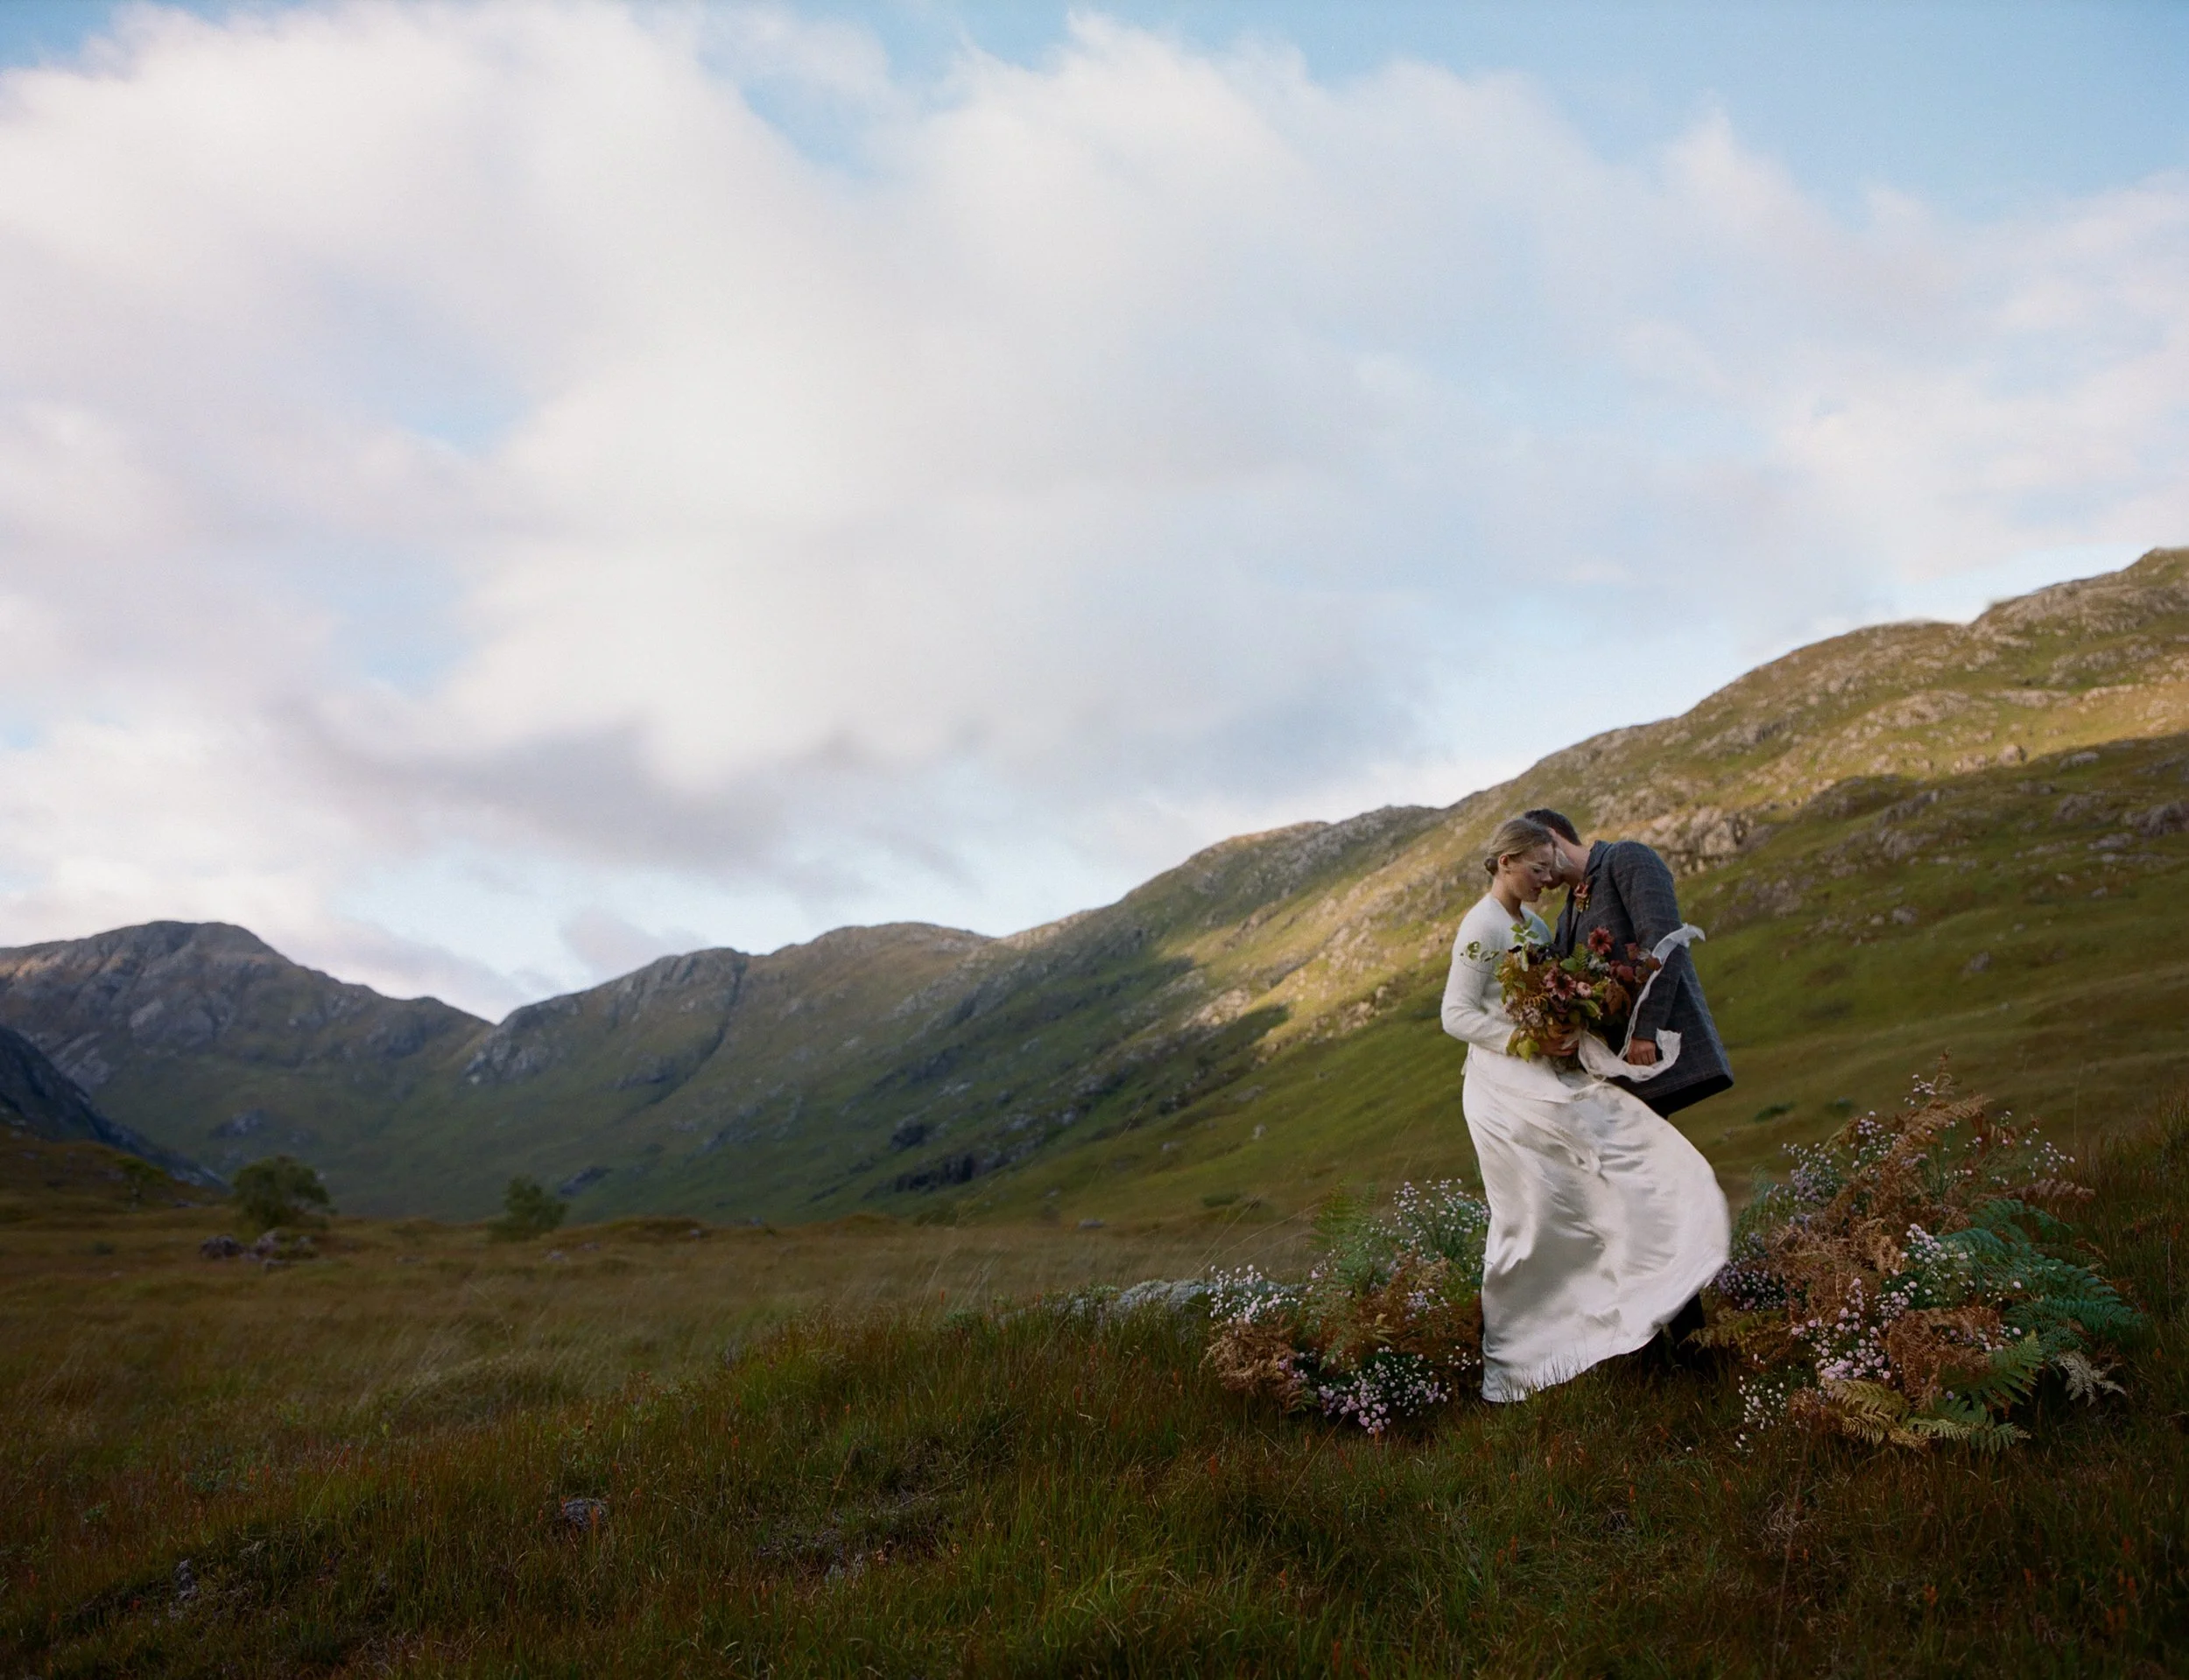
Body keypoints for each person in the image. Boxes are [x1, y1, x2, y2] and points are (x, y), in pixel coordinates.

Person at [1440, 816, 1729, 1402]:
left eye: (1550, 870)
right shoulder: (1481, 925)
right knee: (1539, 1217)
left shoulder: (1542, 922)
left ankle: (1644, 1327)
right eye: (1537, 870)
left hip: (1556, 1075)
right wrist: (1526, 1037)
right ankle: (1532, 1354)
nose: (1547, 881)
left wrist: (1563, 1026)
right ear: (1506, 862)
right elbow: (1455, 1013)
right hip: (1508, 1088)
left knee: (1616, 1188)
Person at [1523, 807, 1734, 1117]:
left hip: (1654, 1044)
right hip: (1616, 1065)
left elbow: (1664, 942)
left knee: (1660, 1157)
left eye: (1532, 856)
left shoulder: (1626, 858)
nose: (1533, 871)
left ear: (1550, 837)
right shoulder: (1565, 916)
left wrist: (1645, 1030)